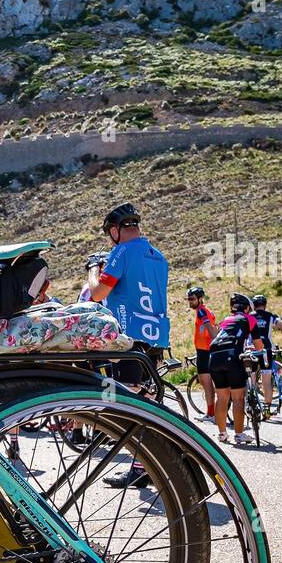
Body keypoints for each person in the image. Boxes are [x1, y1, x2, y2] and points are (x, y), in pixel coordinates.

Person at [85, 203, 170, 488]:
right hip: (155, 337)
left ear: (114, 230)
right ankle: (144, 466)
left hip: (129, 337)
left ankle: (143, 463)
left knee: (128, 406)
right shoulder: (158, 256)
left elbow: (98, 293)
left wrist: (93, 268)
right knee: (145, 403)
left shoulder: (120, 251)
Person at [206, 294, 266, 444]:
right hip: (232, 356)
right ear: (246, 308)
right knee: (238, 397)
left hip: (214, 356)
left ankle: (222, 433)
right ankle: (239, 434)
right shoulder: (249, 319)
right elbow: (259, 346)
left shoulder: (225, 320)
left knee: (222, 397)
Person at [250, 293, 282, 418]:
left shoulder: (250, 316)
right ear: (265, 305)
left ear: (254, 306)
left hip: (251, 349)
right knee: (266, 380)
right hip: (266, 350)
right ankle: (267, 410)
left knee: (251, 379)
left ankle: (251, 405)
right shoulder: (270, 316)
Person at [187, 286, 217, 421]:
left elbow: (211, 331)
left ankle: (211, 414)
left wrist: (214, 342)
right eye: (188, 299)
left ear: (200, 299)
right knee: (209, 384)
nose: (190, 302)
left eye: (192, 299)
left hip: (205, 352)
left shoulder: (201, 312)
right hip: (206, 350)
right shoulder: (207, 310)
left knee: (207, 384)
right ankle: (213, 412)